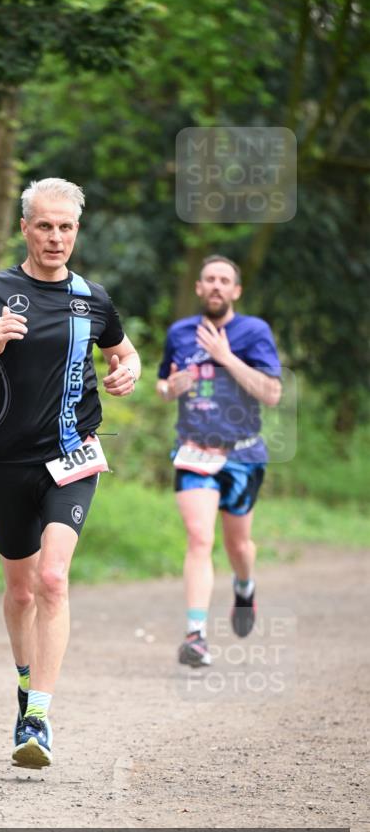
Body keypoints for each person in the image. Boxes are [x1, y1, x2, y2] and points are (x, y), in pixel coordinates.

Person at [0, 178, 140, 767]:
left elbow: (122, 351)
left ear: (77, 231)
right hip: (5, 462)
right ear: (25, 228)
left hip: (74, 457)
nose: (56, 238)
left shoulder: (93, 299)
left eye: (66, 227)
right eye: (45, 226)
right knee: (20, 589)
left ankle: (40, 719)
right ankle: (25, 684)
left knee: (53, 580)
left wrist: (127, 369)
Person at [156, 255, 282, 668]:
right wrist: (171, 387)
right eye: (209, 279)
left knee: (238, 545)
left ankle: (244, 587)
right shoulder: (179, 332)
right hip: (194, 450)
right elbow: (163, 384)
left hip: (243, 453)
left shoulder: (254, 332)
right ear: (198, 287)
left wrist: (226, 357)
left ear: (235, 291)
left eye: (224, 280)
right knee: (199, 538)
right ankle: (196, 635)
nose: (216, 286)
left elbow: (271, 393)